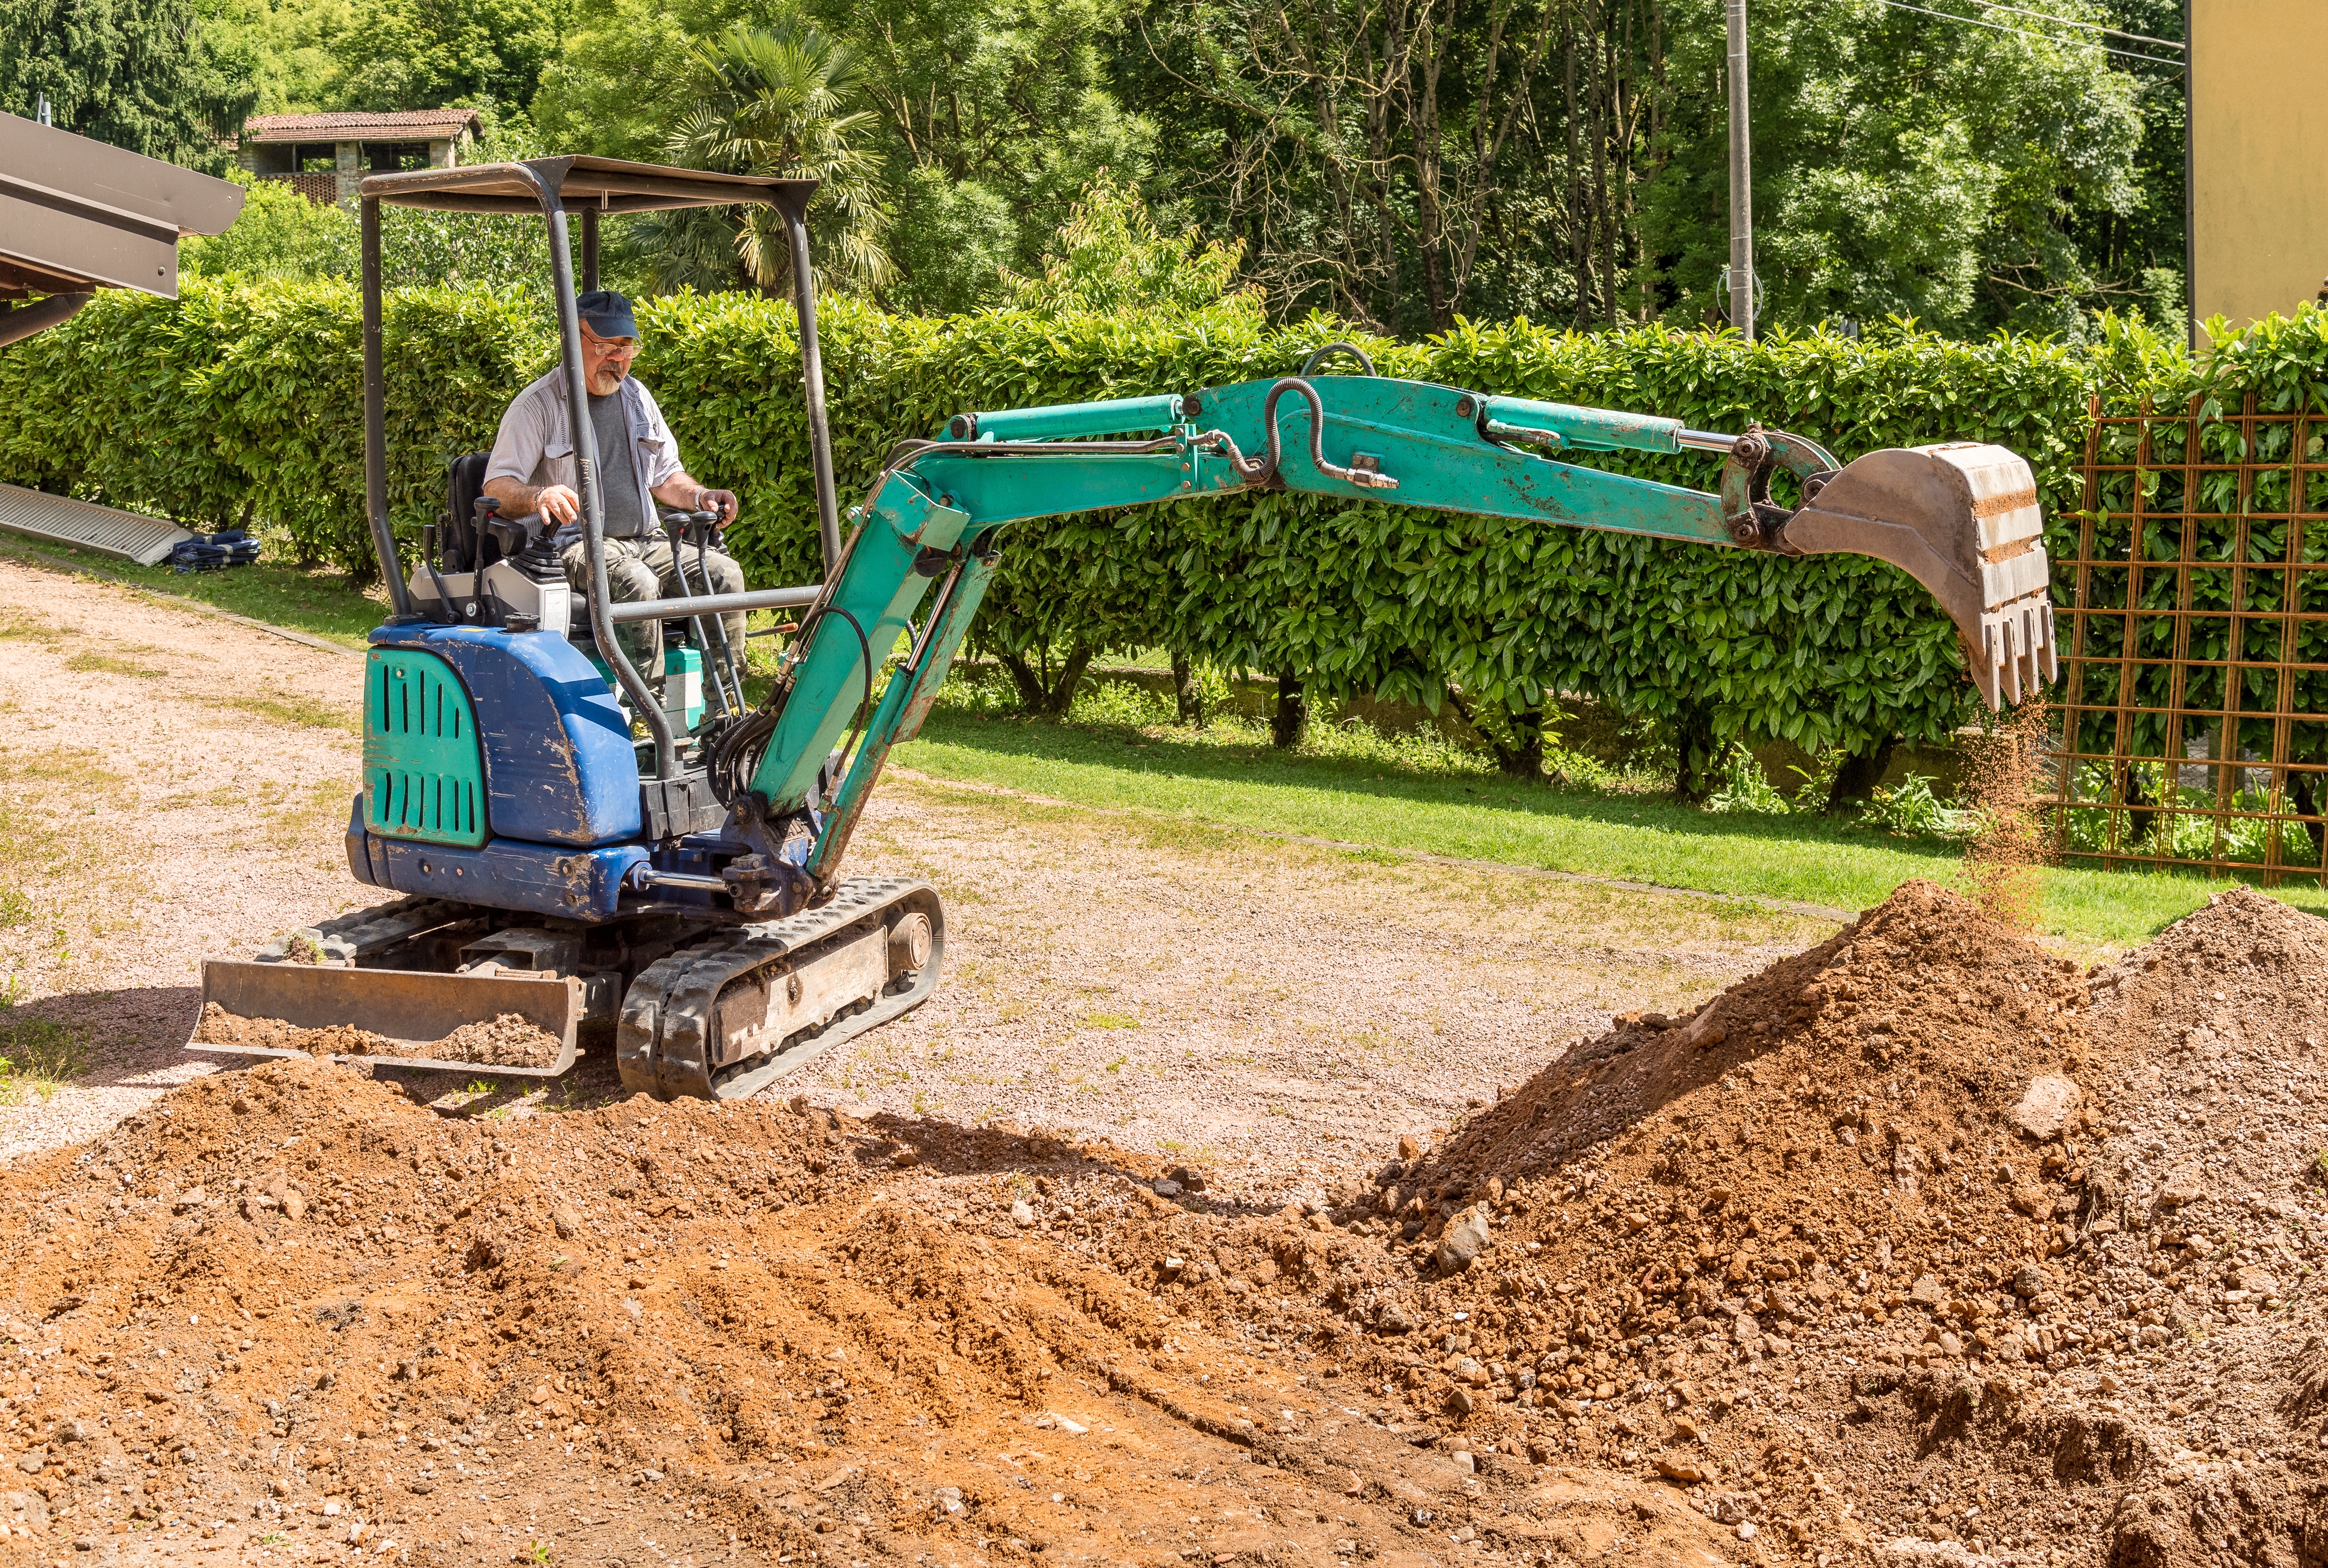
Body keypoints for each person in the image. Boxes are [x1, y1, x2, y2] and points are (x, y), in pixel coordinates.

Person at [482, 289, 745, 683]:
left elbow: (666, 475)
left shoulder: (639, 397)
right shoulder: (538, 406)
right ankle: (647, 715)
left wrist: (699, 496)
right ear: (572, 340)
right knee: (636, 582)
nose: (618, 359)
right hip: (575, 546)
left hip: (648, 540)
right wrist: (541, 497)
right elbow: (497, 488)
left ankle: (726, 717)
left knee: (725, 574)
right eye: (606, 346)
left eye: (626, 348)